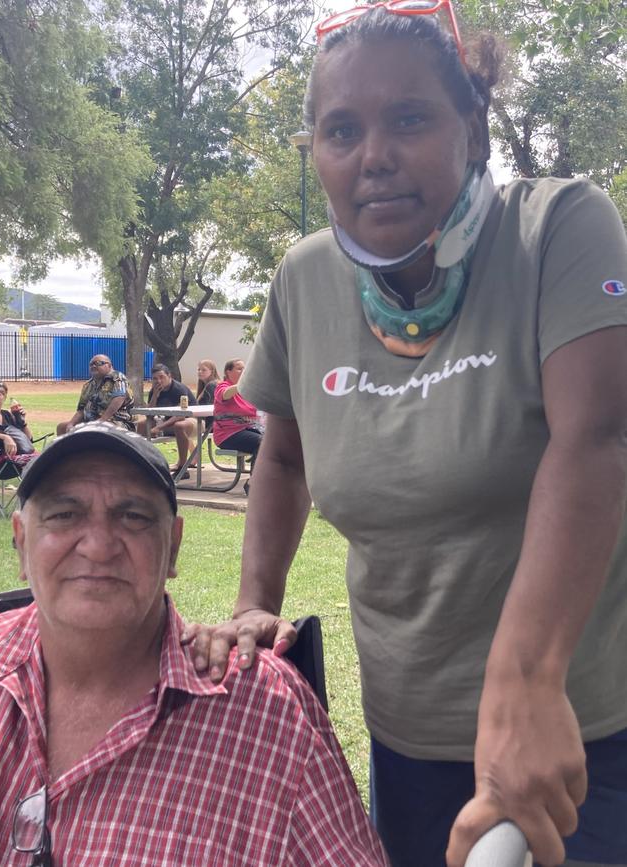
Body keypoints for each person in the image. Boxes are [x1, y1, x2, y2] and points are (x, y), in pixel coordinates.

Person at [184, 4, 627, 867]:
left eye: (410, 118)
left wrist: (527, 686)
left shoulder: (560, 229)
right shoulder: (305, 279)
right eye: (341, 129)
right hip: (407, 740)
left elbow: (598, 440)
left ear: (473, 123)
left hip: (582, 729)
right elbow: (283, 452)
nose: (373, 154)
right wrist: (253, 599)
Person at [0, 423, 388, 866]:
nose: (97, 546)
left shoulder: (263, 712)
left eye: (132, 516)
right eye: (64, 514)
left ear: (172, 548)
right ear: (21, 543)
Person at [137, 363, 198, 478]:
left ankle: (182, 469)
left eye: (161, 377)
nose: (158, 381)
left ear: (169, 376)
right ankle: (142, 463)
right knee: (141, 425)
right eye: (155, 378)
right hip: (167, 422)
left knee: (179, 426)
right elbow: (149, 415)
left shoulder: (178, 389)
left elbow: (181, 415)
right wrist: (155, 395)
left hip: (192, 420)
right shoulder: (154, 390)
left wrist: (159, 427)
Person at [213, 359, 263, 496]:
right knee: (263, 443)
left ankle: (266, 482)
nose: (244, 371)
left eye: (244, 368)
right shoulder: (222, 386)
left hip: (247, 430)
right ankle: (253, 483)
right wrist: (241, 384)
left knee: (275, 441)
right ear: (228, 372)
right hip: (227, 434)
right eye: (239, 369)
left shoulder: (247, 390)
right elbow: (225, 394)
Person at [57, 355, 135, 433]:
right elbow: (81, 410)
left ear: (109, 365)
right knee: (62, 427)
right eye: (91, 364)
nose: (93, 366)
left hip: (117, 421)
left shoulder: (117, 378)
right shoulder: (88, 385)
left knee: (100, 430)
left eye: (98, 363)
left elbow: (119, 398)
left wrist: (101, 421)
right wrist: (71, 424)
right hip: (91, 422)